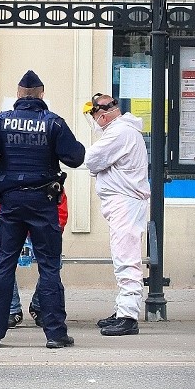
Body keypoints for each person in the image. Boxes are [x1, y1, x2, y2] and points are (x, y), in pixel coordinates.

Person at [0, 70, 85, 349]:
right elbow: (76, 156)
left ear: (19, 94)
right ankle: (55, 334)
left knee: (5, 264)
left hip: (10, 204)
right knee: (48, 267)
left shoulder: (1, 122)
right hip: (44, 203)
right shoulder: (54, 123)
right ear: (41, 94)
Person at [83, 93, 150, 337]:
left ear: (102, 115)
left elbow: (91, 159)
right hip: (123, 203)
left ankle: (128, 317)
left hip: (125, 204)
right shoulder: (125, 131)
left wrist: (97, 167)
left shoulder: (119, 132)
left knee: (126, 259)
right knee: (122, 256)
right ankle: (123, 309)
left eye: (93, 116)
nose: (94, 122)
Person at [0, 190, 68, 328]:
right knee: (4, 265)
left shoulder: (47, 181)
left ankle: (38, 306)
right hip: (15, 229)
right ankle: (13, 309)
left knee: (53, 265)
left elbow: (61, 209)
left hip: (41, 229)